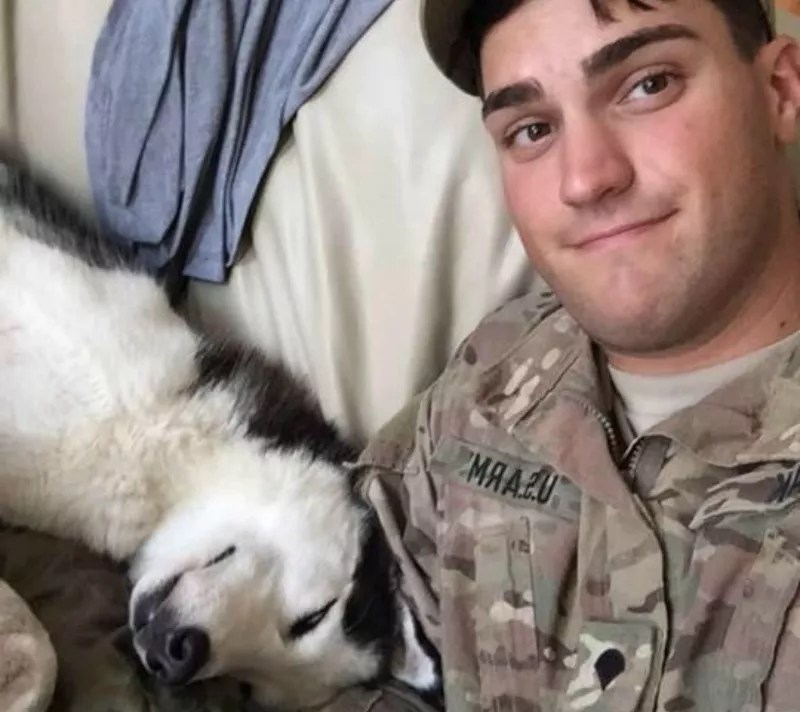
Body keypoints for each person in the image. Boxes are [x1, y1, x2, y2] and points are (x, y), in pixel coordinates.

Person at [328, 0, 800, 709]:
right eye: (533, 129)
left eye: (648, 85)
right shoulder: (491, 383)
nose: (586, 178)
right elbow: (335, 651)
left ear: (780, 91)